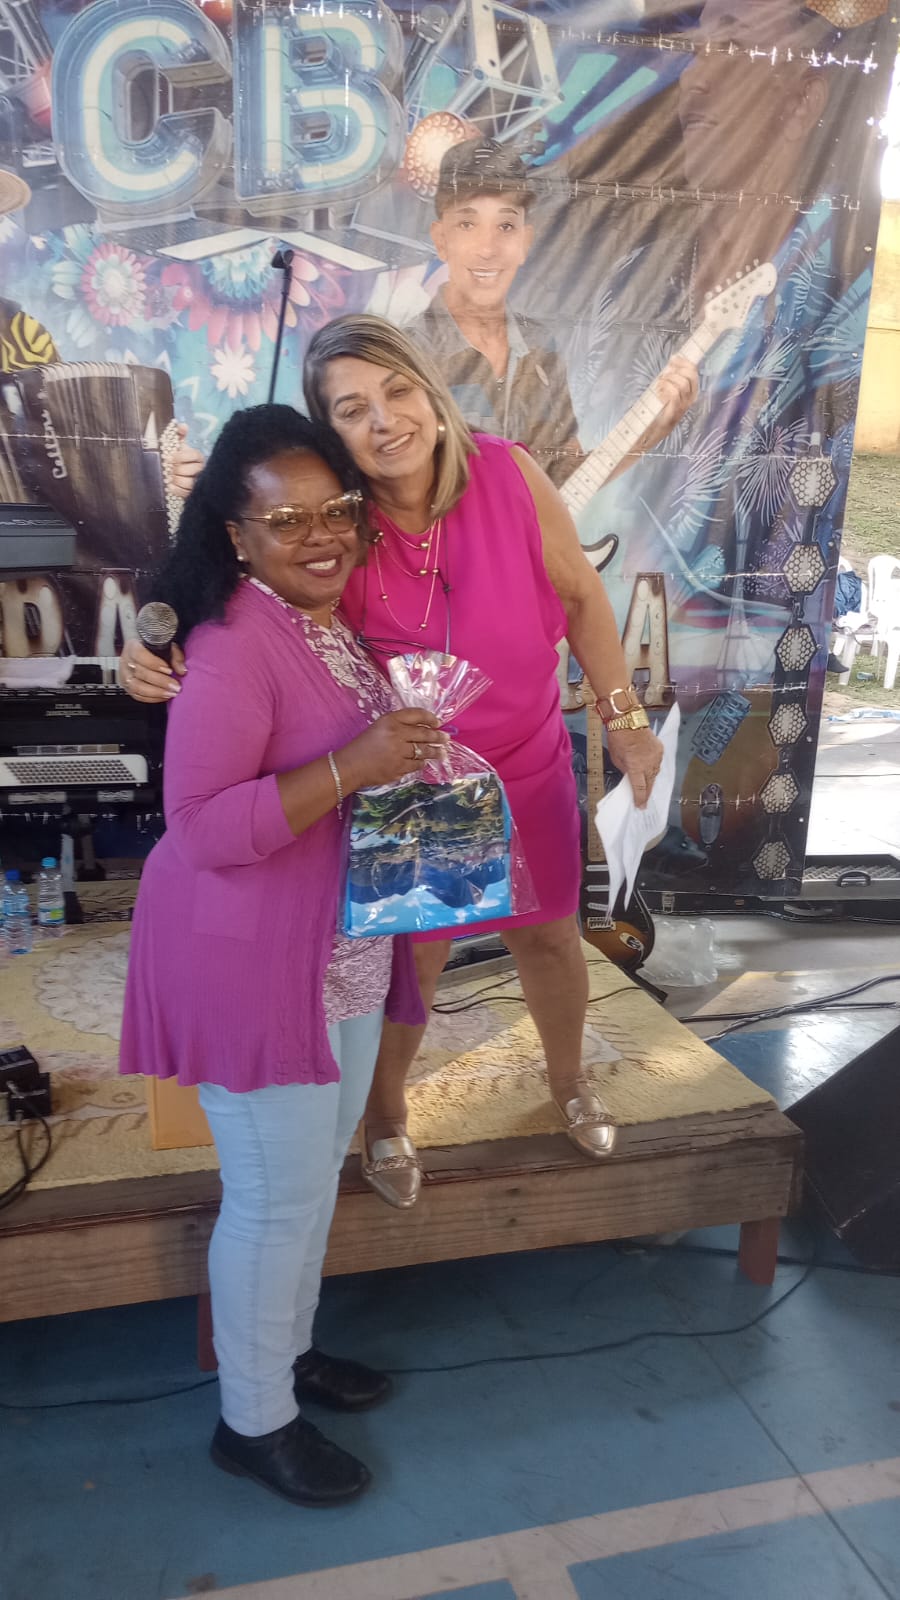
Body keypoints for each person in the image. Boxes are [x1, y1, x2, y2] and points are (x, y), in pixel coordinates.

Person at [121, 314, 664, 1211]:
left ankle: (569, 1080)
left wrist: (627, 719)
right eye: (351, 409)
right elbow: (222, 574)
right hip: (410, 774)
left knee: (548, 935)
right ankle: (385, 1116)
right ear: (329, 433)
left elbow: (579, 596)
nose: (384, 420)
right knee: (415, 956)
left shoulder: (508, 472)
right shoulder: (336, 521)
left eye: (398, 390)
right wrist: (154, 638)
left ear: (431, 391)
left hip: (525, 761)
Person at [119, 403, 448, 1505]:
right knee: (271, 1195)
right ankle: (252, 1422)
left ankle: (288, 1353)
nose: (321, 536)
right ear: (236, 534)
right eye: (287, 519)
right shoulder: (228, 644)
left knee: (308, 1183)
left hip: (334, 955)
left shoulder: (323, 623)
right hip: (248, 960)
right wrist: (356, 765)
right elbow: (202, 827)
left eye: (335, 511)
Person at [406, 136, 698, 494]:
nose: (488, 249)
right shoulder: (405, 356)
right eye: (467, 224)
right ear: (441, 240)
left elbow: (566, 480)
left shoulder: (541, 344)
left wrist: (654, 430)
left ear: (524, 243)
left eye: (506, 226)